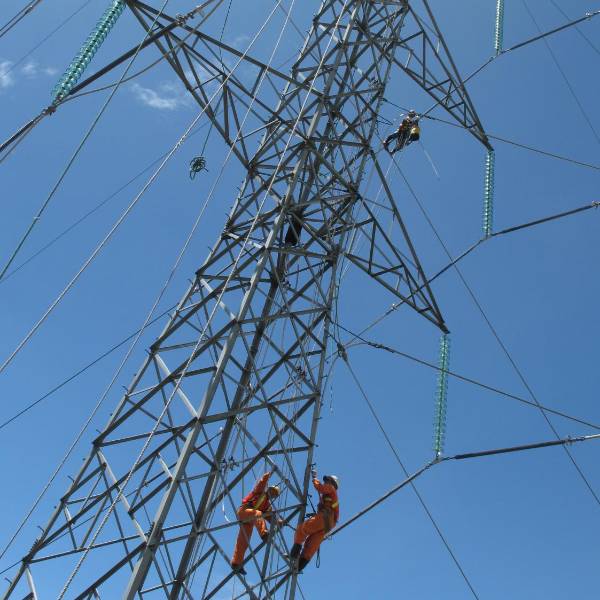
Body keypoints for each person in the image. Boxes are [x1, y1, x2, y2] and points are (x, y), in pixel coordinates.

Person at [288, 470, 340, 572]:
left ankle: (295, 551)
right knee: (312, 544)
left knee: (302, 529)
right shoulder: (331, 495)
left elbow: (320, 488)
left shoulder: (331, 488)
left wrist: (314, 478)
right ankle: (300, 565)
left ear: (331, 482)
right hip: (329, 524)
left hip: (325, 517)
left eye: (327, 480)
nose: (325, 482)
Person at [231, 472, 281, 574]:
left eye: (274, 494)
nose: (272, 494)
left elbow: (271, 518)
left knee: (243, 541)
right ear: (268, 489)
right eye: (272, 491)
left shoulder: (267, 506)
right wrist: (268, 474)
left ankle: (236, 563)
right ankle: (264, 534)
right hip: (244, 511)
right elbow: (262, 482)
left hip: (249, 521)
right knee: (258, 514)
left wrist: (279, 522)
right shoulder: (260, 492)